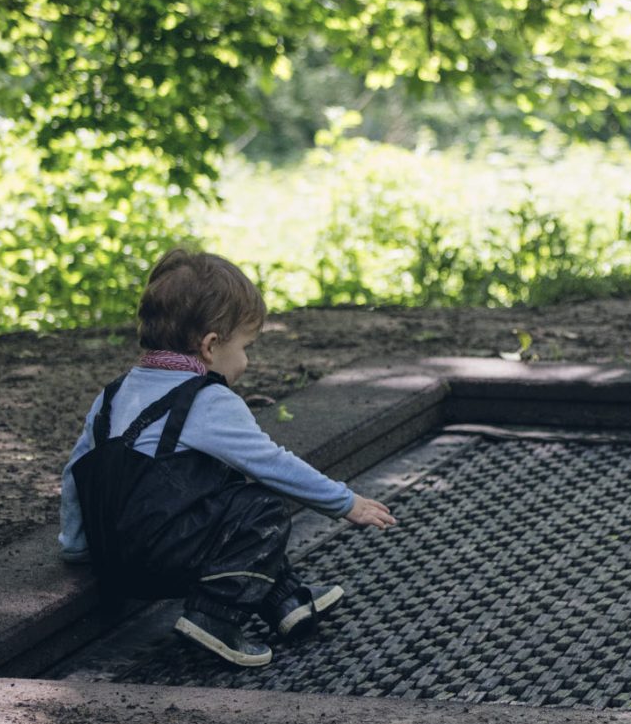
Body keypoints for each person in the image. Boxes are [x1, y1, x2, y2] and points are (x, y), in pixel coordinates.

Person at [58, 247, 396, 667]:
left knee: (225, 489)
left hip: (116, 559)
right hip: (165, 559)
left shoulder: (113, 393)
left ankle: (283, 599)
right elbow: (272, 464)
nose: (247, 360)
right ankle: (214, 618)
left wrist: (75, 545)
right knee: (261, 509)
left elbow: (77, 472)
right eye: (246, 346)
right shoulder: (207, 399)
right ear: (210, 346)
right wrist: (346, 503)